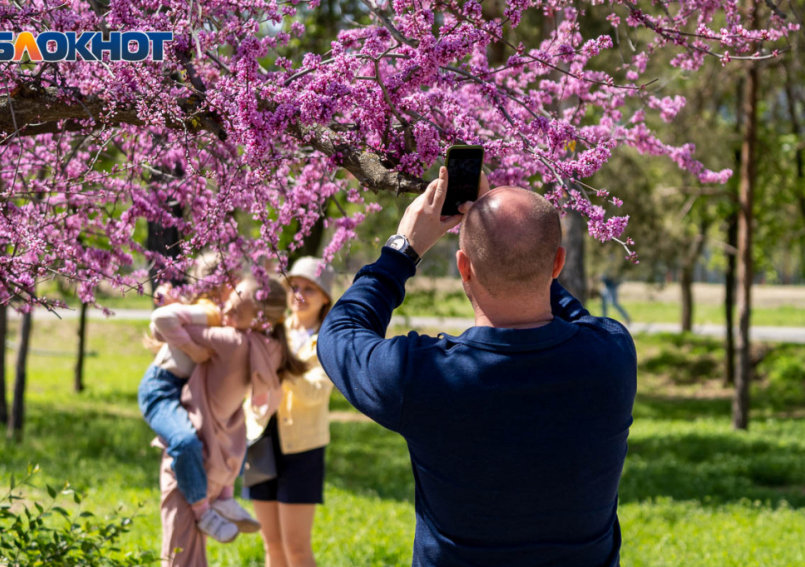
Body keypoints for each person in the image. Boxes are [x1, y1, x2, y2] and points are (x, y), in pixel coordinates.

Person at [317, 167, 637, 567]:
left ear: (463, 267)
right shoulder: (612, 357)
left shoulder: (422, 377)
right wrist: (520, 253)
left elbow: (340, 333)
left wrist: (402, 252)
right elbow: (570, 311)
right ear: (558, 264)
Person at [157, 278, 308, 566]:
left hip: (191, 451)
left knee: (178, 547)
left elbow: (162, 325)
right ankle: (223, 502)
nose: (224, 312)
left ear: (261, 321)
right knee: (191, 547)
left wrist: (176, 305)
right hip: (222, 456)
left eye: (234, 312)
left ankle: (214, 508)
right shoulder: (272, 350)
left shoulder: (230, 342)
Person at [243, 256, 336, 567]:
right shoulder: (271, 326)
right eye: (294, 287)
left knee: (295, 548)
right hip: (260, 439)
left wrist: (283, 363)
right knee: (271, 545)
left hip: (302, 449)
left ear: (325, 297)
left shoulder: (329, 340)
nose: (299, 294)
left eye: (309, 289)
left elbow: (316, 392)